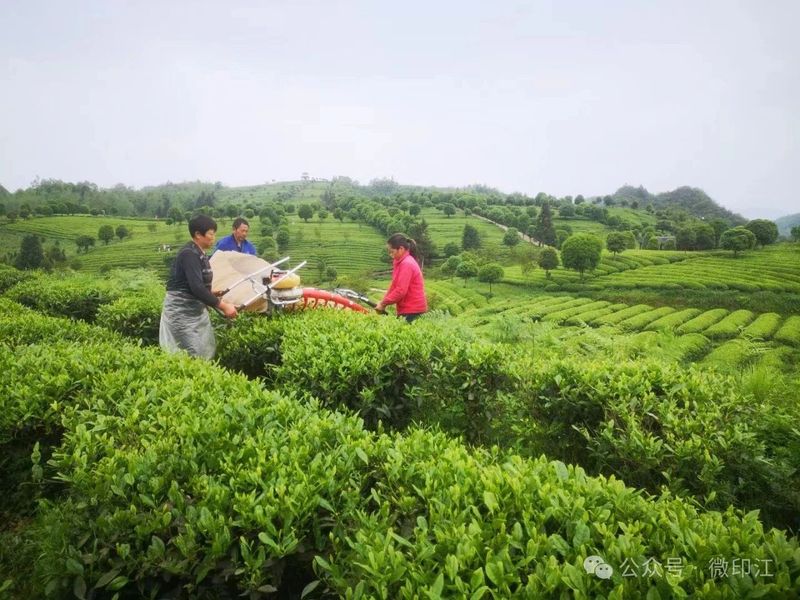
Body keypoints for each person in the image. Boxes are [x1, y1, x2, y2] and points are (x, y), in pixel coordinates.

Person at [159, 215, 238, 359]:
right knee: (190, 353)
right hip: (181, 312)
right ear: (197, 234)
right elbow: (196, 287)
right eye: (211, 233)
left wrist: (211, 292)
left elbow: (194, 283)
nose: (213, 237)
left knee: (201, 350)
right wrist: (223, 306)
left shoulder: (199, 253)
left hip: (193, 310)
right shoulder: (189, 254)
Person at [374, 233, 428, 322]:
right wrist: (383, 302)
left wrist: (383, 303)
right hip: (407, 309)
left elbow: (400, 291)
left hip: (413, 310)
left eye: (392, 252)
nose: (391, 255)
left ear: (401, 249)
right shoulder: (400, 262)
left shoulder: (407, 264)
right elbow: (394, 285)